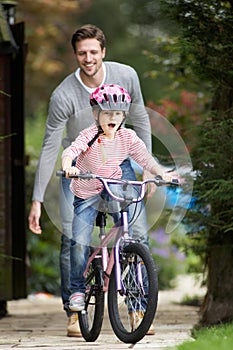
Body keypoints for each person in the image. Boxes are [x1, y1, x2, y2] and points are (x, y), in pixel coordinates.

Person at [28, 24, 154, 337]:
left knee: (136, 232)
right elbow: (49, 146)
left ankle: (139, 307)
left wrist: (149, 169)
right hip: (79, 167)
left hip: (118, 162)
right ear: (75, 55)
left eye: (93, 52)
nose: (88, 58)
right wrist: (37, 198)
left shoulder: (125, 76)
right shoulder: (64, 95)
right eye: (82, 53)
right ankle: (75, 308)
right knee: (73, 238)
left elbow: (140, 121)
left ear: (103, 52)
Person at [62, 84, 174, 333]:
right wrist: (69, 166)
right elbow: (71, 151)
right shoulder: (89, 134)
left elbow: (145, 159)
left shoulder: (128, 137)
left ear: (124, 116)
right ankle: (78, 291)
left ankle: (135, 293)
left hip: (113, 182)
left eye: (118, 113)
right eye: (107, 112)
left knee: (131, 228)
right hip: (88, 187)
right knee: (79, 240)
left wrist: (161, 173)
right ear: (96, 114)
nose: (112, 117)